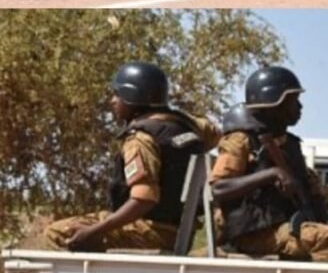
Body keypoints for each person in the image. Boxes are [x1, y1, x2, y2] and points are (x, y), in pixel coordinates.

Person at [210, 67, 328, 266]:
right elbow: (218, 188)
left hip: (289, 226)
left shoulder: (289, 144)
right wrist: (271, 174)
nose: (300, 107)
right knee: (324, 238)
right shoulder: (240, 140)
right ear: (273, 102)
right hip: (254, 233)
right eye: (293, 101)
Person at [44, 62, 219, 253]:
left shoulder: (141, 139)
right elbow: (218, 134)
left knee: (58, 233)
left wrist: (94, 231)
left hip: (151, 231)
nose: (112, 101)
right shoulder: (190, 125)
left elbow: (144, 200)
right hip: (181, 230)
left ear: (133, 97)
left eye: (117, 95)